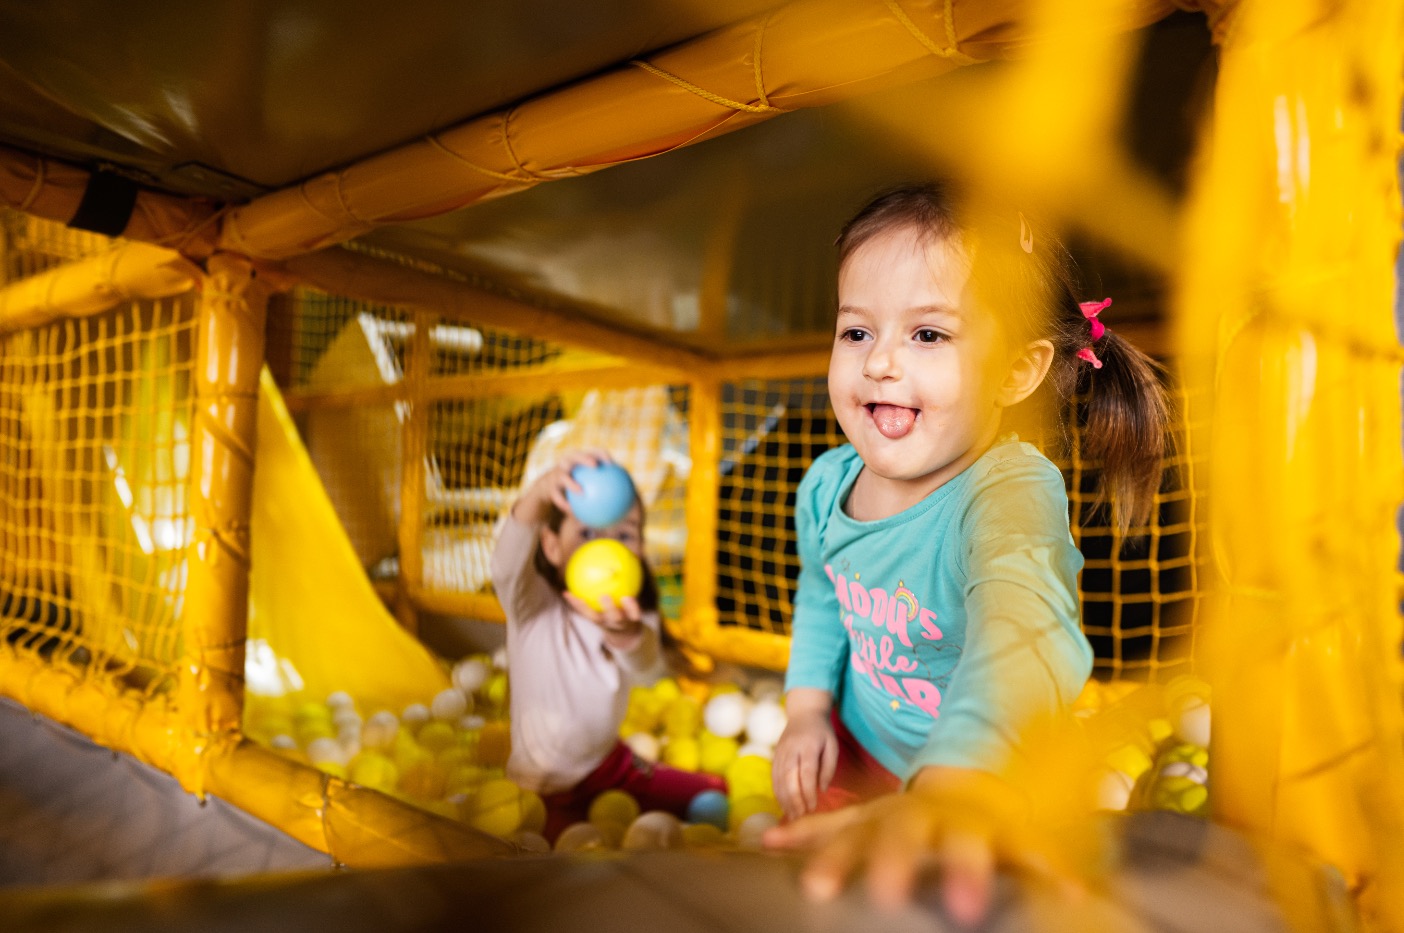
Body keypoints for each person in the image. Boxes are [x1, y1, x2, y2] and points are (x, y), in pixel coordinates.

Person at [764, 181, 1168, 919]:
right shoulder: (825, 486)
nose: (881, 362)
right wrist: (806, 709)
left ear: (1017, 371)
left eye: (929, 335)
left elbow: (1025, 629)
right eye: (857, 332)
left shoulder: (1009, 491)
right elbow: (822, 596)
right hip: (861, 750)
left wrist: (958, 778)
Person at [491, 450, 725, 841]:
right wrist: (538, 493)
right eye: (587, 534)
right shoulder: (531, 604)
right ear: (551, 547)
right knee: (565, 859)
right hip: (542, 787)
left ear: (640, 548)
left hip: (609, 765)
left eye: (624, 534)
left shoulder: (633, 611)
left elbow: (645, 664)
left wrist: (621, 630)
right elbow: (505, 563)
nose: (608, 549)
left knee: (713, 794)